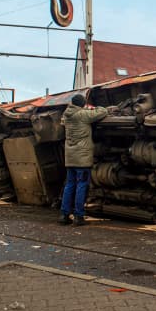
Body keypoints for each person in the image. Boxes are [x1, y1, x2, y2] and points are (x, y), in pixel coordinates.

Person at [58, 93, 108, 226]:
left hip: (70, 157)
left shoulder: (66, 115)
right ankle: (79, 216)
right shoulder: (82, 115)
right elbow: (103, 111)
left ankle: (64, 214)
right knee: (81, 185)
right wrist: (92, 108)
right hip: (82, 158)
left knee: (69, 185)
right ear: (82, 104)